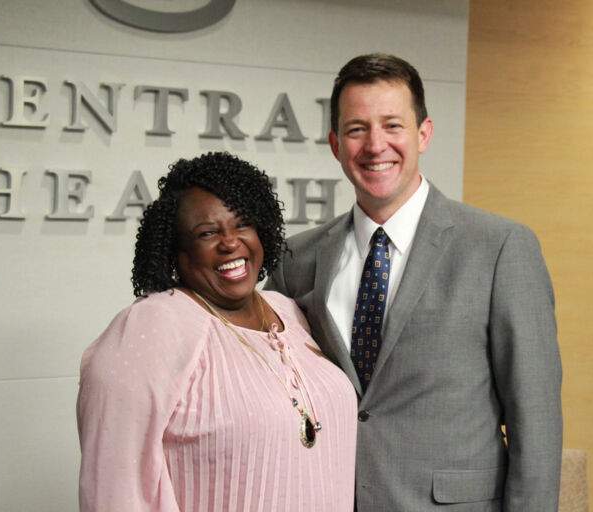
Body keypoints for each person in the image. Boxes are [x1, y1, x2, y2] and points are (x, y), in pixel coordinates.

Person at [266, 53, 563, 510]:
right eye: (356, 128)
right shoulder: (295, 260)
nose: (375, 145)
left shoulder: (500, 248)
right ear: (335, 143)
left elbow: (535, 422)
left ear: (423, 134)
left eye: (392, 125)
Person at [76, 152, 357, 512]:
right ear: (175, 252)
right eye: (207, 233)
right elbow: (115, 492)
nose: (230, 243)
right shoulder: (151, 328)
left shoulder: (289, 310)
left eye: (242, 225)